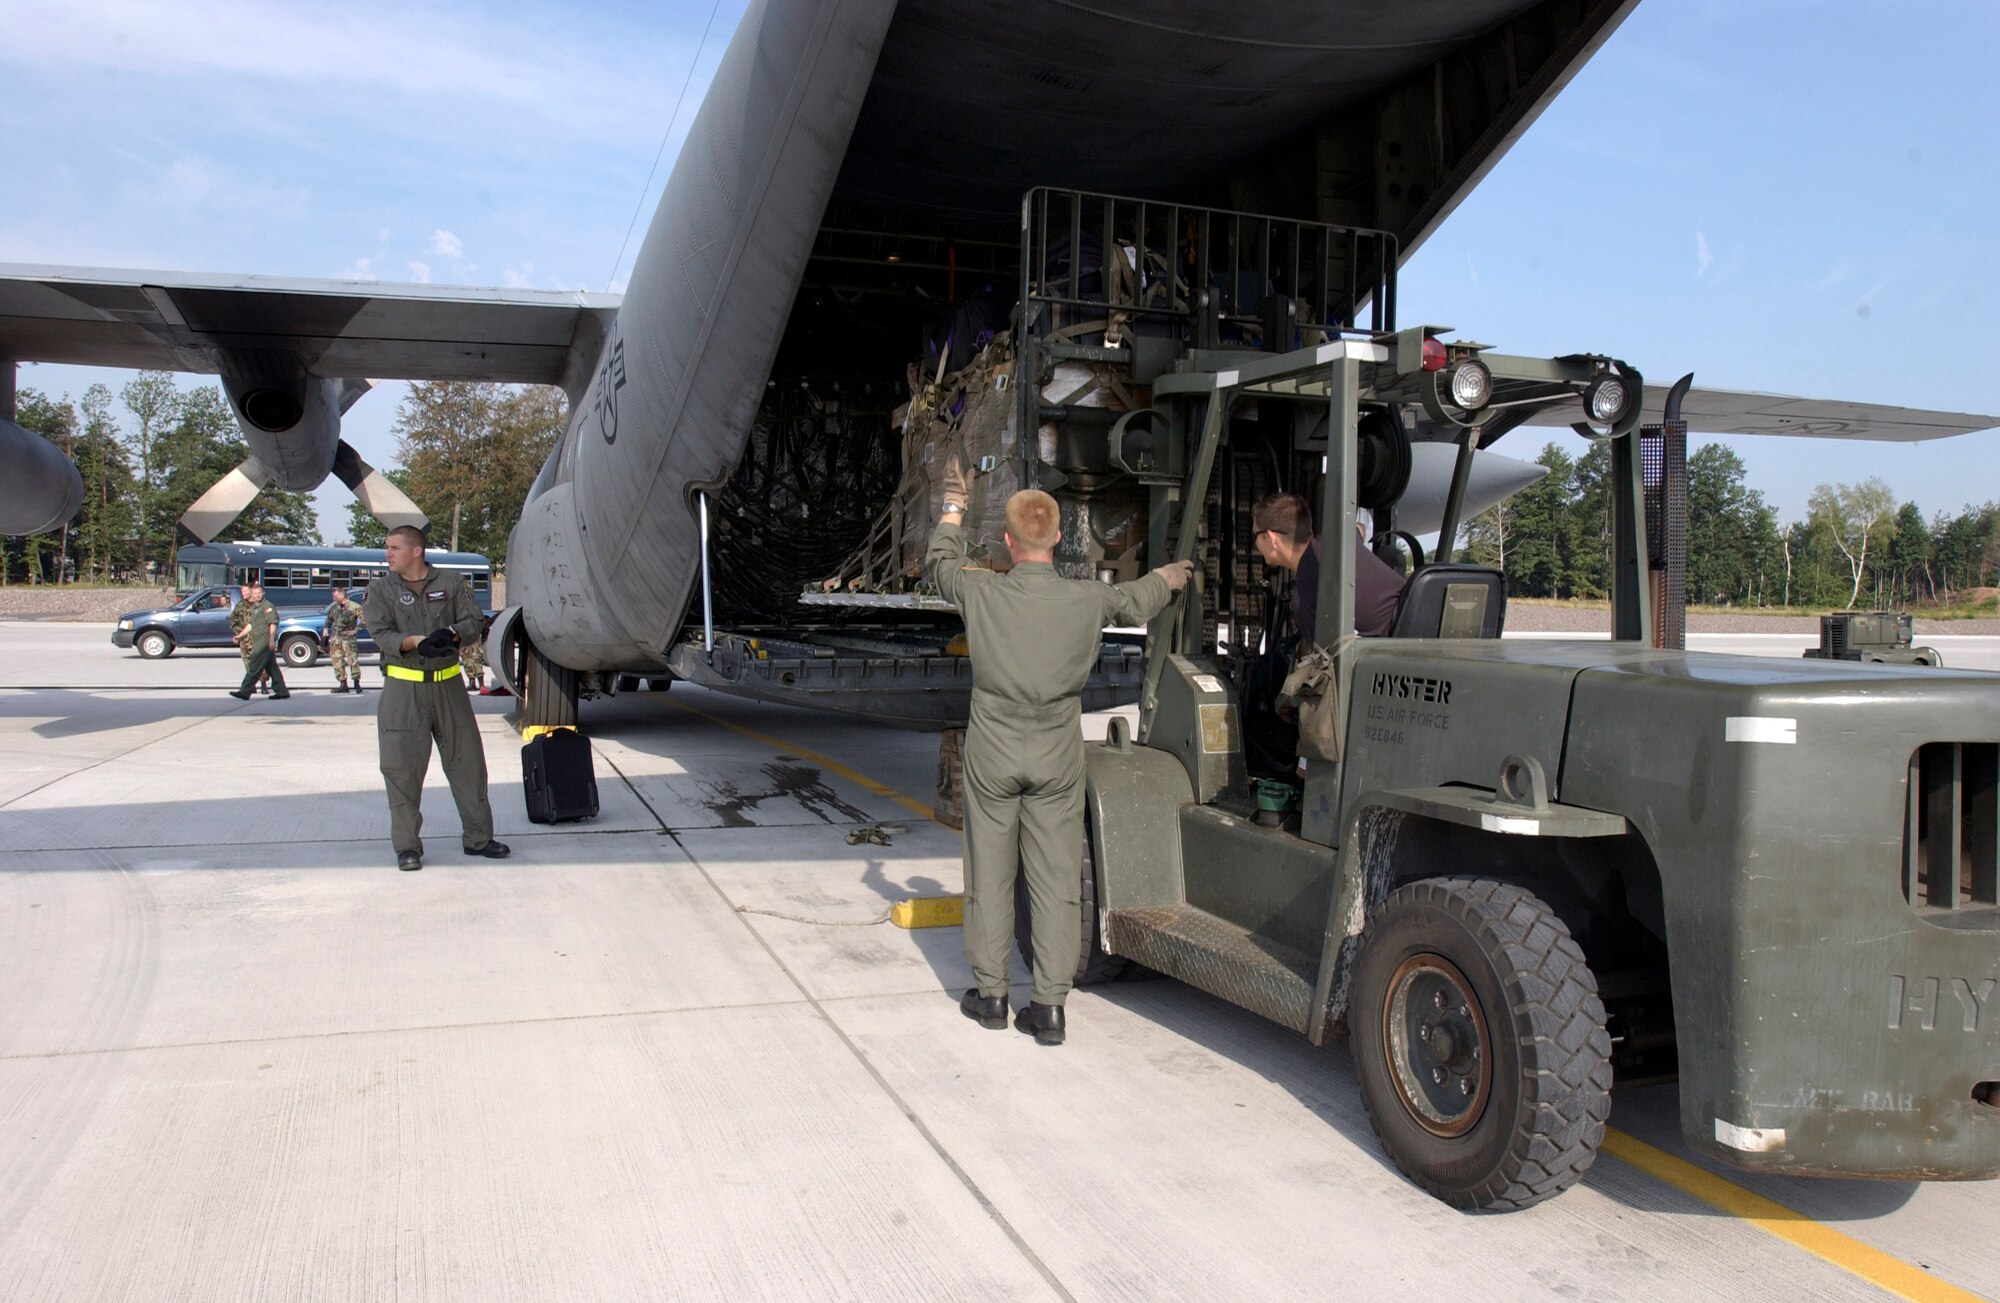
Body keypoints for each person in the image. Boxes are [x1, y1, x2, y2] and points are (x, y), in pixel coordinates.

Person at [927, 463, 1191, 1046]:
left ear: (1008, 542)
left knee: (991, 872)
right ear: (1056, 541)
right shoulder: (1086, 600)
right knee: (1053, 878)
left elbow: (939, 566)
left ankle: (992, 995)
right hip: (1056, 753)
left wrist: (952, 505)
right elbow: (1135, 601)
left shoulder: (982, 589)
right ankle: (1048, 1007)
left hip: (993, 753)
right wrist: (1171, 576)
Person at [361, 525, 510, 872]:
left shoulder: (452, 583)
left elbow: (474, 619)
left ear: (416, 551)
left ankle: (478, 838)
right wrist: (415, 642)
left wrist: (453, 634)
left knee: (468, 764)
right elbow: (381, 633)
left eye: (394, 548)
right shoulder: (380, 589)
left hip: (449, 687)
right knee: (402, 770)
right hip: (403, 690)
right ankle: (407, 847)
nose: (388, 554)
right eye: (387, 548)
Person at [1250, 491, 1404, 644]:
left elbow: (1324, 663)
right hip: (1411, 626)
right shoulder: (1343, 544)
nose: (1256, 543)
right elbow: (1359, 528)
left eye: (1256, 535)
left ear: (1271, 538)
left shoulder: (1306, 597)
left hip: (1389, 655)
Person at [227, 582, 289, 701]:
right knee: (272, 667)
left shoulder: (267, 606)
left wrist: (271, 640)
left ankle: (245, 691)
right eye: (255, 593)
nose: (257, 595)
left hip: (264, 641)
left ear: (263, 593)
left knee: (254, 665)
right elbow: (251, 625)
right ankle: (282, 691)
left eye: (259, 593)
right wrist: (239, 635)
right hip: (259, 640)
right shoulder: (257, 607)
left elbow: (273, 624)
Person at [229, 586, 273, 695]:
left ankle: (263, 685)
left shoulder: (260, 605)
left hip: (258, 639)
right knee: (248, 663)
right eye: (242, 591)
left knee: (261, 663)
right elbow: (233, 620)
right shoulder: (240, 605)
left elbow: (269, 622)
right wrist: (239, 633)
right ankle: (250, 686)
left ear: (251, 592)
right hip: (245, 639)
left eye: (245, 591)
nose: (243, 593)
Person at [325, 588, 364, 693]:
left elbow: (364, 621)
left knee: (353, 661)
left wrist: (355, 630)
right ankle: (343, 685)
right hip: (336, 638)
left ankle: (357, 684)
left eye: (336, 596)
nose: (334, 598)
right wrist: (325, 630)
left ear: (342, 595)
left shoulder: (354, 606)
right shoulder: (334, 607)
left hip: (348, 638)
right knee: (337, 661)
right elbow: (328, 620)